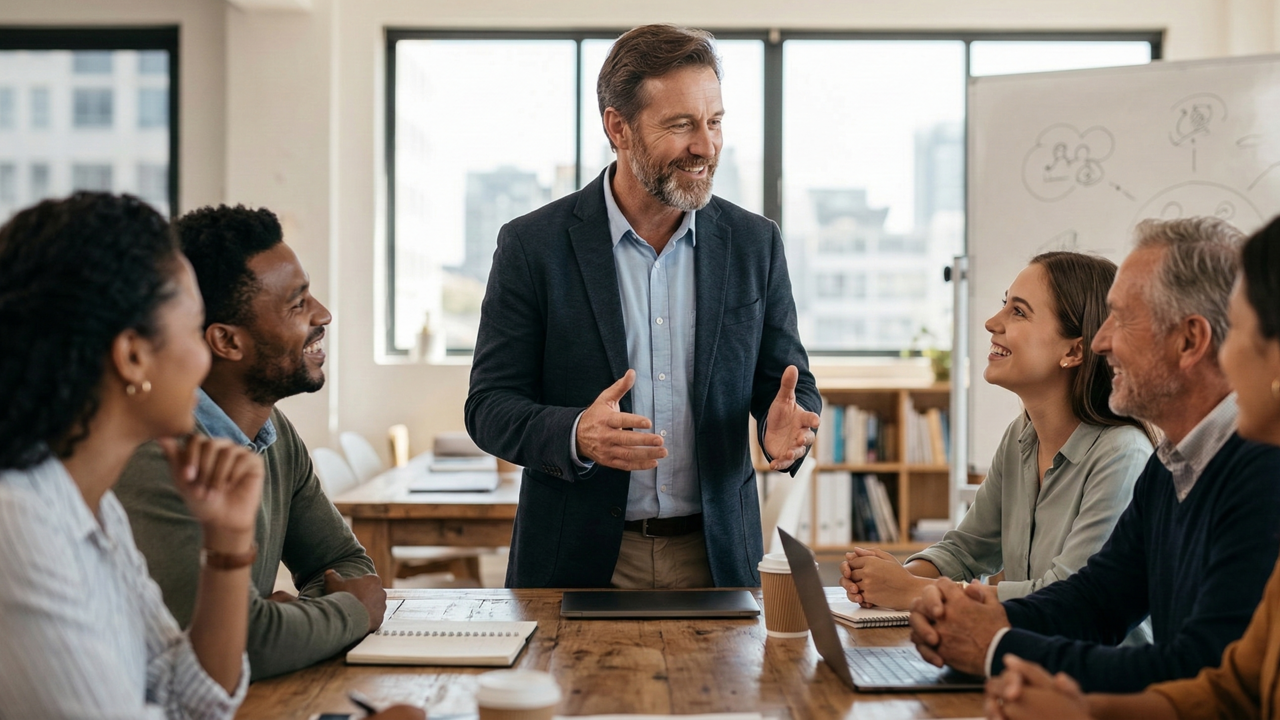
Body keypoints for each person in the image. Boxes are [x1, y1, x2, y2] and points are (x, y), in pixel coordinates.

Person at [465, 24, 821, 589]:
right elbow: (488, 406)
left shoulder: (755, 243)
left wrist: (787, 430)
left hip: (719, 559)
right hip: (576, 561)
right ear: (619, 128)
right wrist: (577, 432)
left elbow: (788, 385)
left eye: (714, 122)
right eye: (681, 125)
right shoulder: (534, 245)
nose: (705, 145)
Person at [907, 217, 1280, 693]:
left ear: (1189, 340)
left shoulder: (1260, 472)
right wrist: (983, 617)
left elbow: (1200, 671)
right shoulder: (1173, 463)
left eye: (1121, 318)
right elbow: (1098, 600)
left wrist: (995, 646)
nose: (1100, 341)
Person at [0, 192, 261, 718]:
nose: (204, 356)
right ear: (133, 355)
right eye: (193, 328)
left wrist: (229, 540)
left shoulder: (95, 509)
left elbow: (190, 699)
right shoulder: (18, 524)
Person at [114, 204, 388, 681]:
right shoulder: (158, 457)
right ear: (226, 341)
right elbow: (246, 647)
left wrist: (288, 623)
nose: (322, 314)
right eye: (297, 303)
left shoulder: (274, 433)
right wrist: (349, 614)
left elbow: (346, 564)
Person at [840, 252, 1153, 613]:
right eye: (1004, 305)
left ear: (1074, 350)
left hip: (1088, 667)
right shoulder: (1020, 438)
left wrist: (912, 591)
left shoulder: (1123, 457)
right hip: (1025, 658)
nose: (992, 322)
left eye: (1018, 311)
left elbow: (1067, 599)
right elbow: (965, 550)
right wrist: (892, 580)